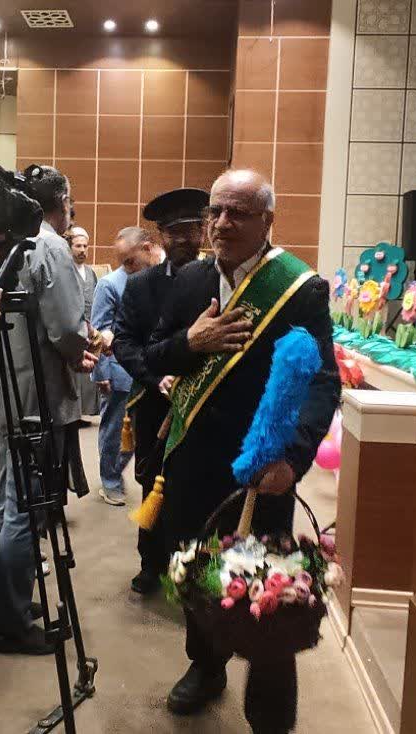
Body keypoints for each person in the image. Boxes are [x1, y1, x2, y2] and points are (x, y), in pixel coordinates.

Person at [144, 169, 340, 733]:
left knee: (266, 592)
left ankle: (270, 714)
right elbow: (154, 354)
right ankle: (206, 668)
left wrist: (292, 458)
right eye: (216, 211)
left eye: (238, 213)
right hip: (192, 460)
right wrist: (191, 342)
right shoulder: (189, 280)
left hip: (262, 468)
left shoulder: (298, 288)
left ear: (267, 221)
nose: (222, 223)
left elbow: (322, 380)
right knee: (196, 574)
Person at [0, 166, 97, 655]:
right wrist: (83, 350)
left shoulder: (14, 241)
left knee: (8, 504)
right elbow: (66, 326)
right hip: (35, 400)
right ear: (62, 201)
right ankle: (10, 622)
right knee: (27, 510)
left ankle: (5, 605)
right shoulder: (49, 245)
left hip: (8, 392)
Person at [113, 188, 209, 594]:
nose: (185, 239)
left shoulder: (219, 280)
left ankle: (194, 567)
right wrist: (156, 378)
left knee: (199, 485)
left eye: (192, 229)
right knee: (154, 482)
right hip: (154, 404)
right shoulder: (140, 286)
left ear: (204, 231)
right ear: (161, 237)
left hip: (206, 404)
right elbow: (123, 342)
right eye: (175, 232)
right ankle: (151, 563)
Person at [91, 227, 159, 506]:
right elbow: (99, 331)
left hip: (148, 374)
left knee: (140, 436)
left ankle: (118, 473)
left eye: (130, 260)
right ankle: (110, 481)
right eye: (122, 262)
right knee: (114, 431)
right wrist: (100, 373)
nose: (126, 267)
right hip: (118, 374)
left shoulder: (159, 278)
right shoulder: (109, 284)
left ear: (147, 249)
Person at [67, 226, 99, 418]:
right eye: (78, 246)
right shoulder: (66, 271)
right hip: (73, 329)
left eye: (85, 246)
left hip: (90, 329)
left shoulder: (90, 272)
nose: (82, 250)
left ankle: (86, 411)